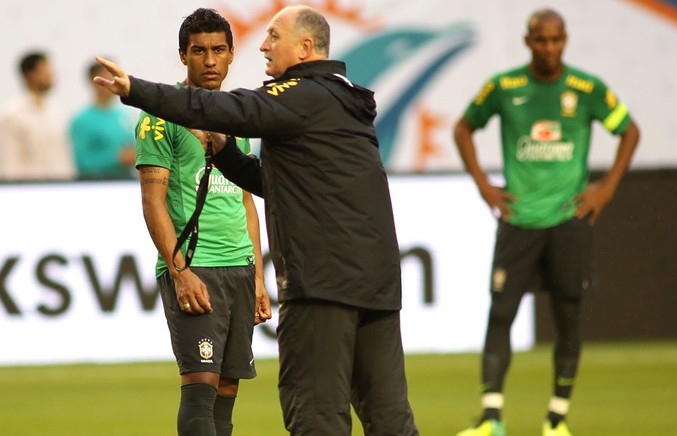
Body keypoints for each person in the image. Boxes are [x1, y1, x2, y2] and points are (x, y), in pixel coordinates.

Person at [95, 5, 419, 435]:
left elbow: (221, 108)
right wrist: (227, 154)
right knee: (390, 418)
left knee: (316, 415)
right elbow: (274, 183)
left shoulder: (299, 95)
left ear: (305, 48)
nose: (262, 45)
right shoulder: (345, 98)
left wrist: (135, 87)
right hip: (377, 284)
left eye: (272, 36)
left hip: (322, 285)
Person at [453, 8, 640, 436]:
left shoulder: (586, 88)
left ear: (566, 40)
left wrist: (605, 189)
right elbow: (463, 128)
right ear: (528, 41)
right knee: (500, 314)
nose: (549, 47)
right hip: (519, 219)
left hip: (567, 221)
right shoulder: (505, 87)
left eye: (556, 40)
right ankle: (491, 420)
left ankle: (556, 420)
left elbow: (629, 131)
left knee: (567, 317)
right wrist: (484, 185)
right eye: (541, 40)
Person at [131, 8, 271, 436]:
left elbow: (246, 202)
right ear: (182, 56)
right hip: (196, 265)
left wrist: (259, 277)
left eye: (218, 50)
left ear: (231, 55)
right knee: (200, 388)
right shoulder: (159, 116)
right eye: (198, 51)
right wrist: (180, 271)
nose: (209, 60)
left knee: (227, 390)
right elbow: (152, 201)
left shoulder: (236, 115)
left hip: (239, 267)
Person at [0, 51, 75, 181]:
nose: (51, 75)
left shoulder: (56, 111)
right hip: (28, 191)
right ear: (30, 75)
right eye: (45, 70)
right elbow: (9, 163)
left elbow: (63, 156)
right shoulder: (12, 114)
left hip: (60, 188)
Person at [69, 61, 136, 180]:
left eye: (116, 76)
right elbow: (81, 162)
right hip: (97, 187)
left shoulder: (126, 116)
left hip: (127, 185)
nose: (114, 81)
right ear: (94, 80)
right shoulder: (82, 121)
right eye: (108, 76)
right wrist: (116, 159)